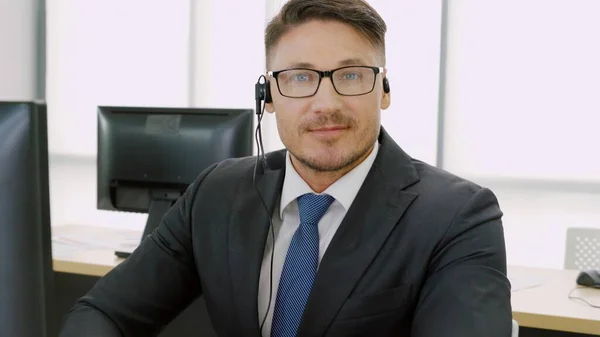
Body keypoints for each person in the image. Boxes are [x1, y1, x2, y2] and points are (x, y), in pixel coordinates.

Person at [59, 0, 512, 336]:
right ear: (269, 98)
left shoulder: (458, 216)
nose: (326, 103)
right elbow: (102, 313)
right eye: (300, 77)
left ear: (384, 89)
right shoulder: (217, 193)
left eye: (351, 75)